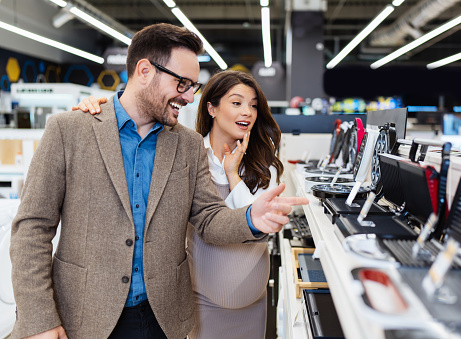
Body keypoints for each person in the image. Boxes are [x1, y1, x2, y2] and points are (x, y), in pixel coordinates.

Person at [9, 23, 307, 339]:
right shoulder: (69, 131)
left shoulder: (188, 144)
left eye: (193, 86)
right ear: (144, 71)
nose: (190, 97)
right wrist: (38, 318)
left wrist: (250, 217)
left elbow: (208, 218)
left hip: (161, 319)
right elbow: (32, 228)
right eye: (182, 84)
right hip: (83, 316)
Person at [75, 70, 284, 338]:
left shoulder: (264, 161)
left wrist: (233, 176)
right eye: (236, 103)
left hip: (252, 301)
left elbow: (261, 228)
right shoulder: (187, 152)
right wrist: (99, 107)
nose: (247, 112)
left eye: (253, 105)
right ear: (211, 108)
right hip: (201, 300)